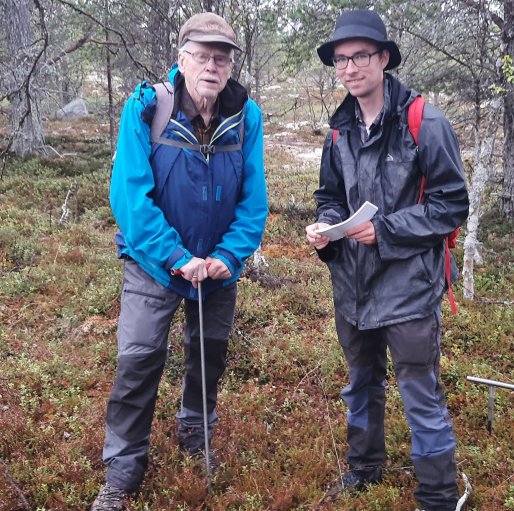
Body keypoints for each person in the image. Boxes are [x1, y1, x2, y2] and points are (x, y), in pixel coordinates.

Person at [91, 12, 268, 510]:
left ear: (231, 66)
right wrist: (174, 256)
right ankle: (123, 466)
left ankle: (195, 429)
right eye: (203, 55)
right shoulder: (147, 107)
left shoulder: (245, 116)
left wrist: (228, 257)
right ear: (182, 57)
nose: (213, 65)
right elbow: (129, 196)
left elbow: (254, 201)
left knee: (208, 353)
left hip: (215, 268)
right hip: (154, 263)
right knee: (139, 360)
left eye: (222, 57)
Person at [305, 9, 469, 511]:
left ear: (383, 59)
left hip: (410, 288)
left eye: (359, 56)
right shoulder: (339, 132)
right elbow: (329, 194)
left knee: (420, 392)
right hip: (353, 286)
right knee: (360, 382)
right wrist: (325, 228)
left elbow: (451, 205)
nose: (349, 68)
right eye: (340, 59)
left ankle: (438, 496)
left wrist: (387, 230)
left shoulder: (425, 122)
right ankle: (364, 469)